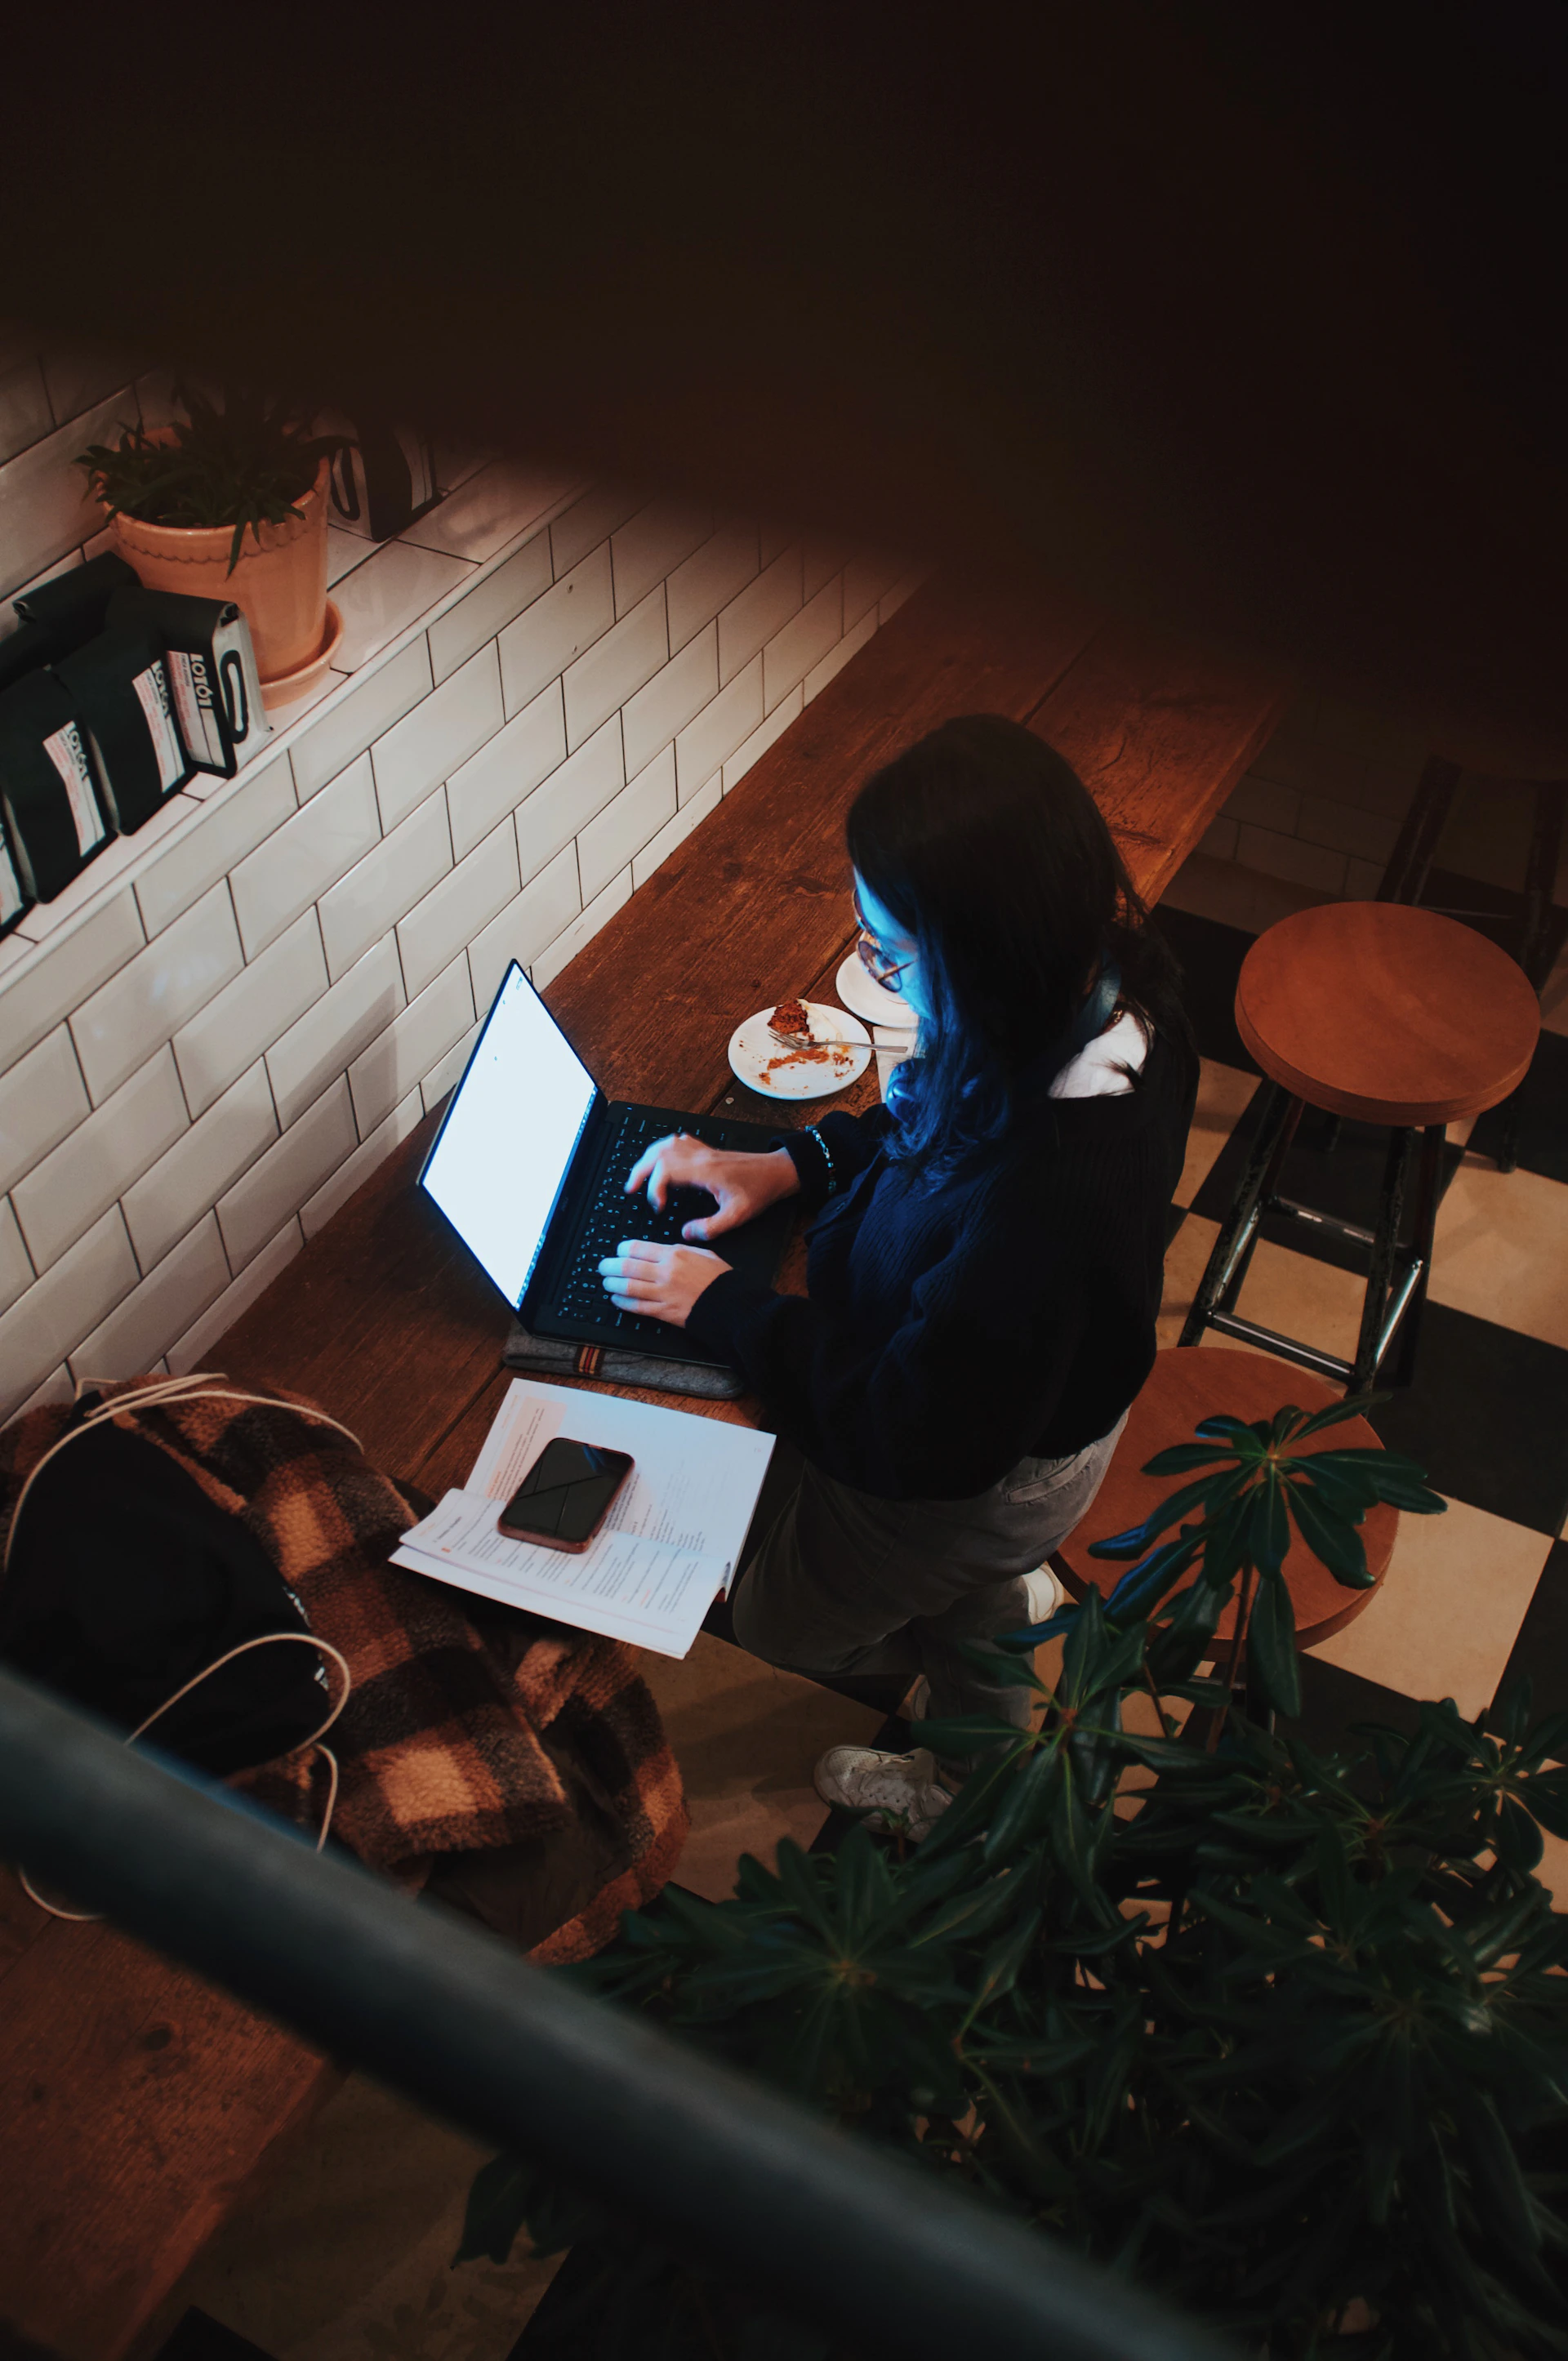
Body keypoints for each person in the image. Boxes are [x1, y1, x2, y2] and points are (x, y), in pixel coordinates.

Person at [595, 714, 1197, 1836]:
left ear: (984, 956)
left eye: (891, 950)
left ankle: (987, 1600)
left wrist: (723, 1306)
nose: (875, 967)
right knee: (966, 1599)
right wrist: (791, 1162)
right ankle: (979, 1727)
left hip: (976, 1463)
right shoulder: (1108, 985)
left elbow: (913, 1432)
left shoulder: (1045, 1208)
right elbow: (935, 1120)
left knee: (782, 1618)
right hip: (1024, 1414)